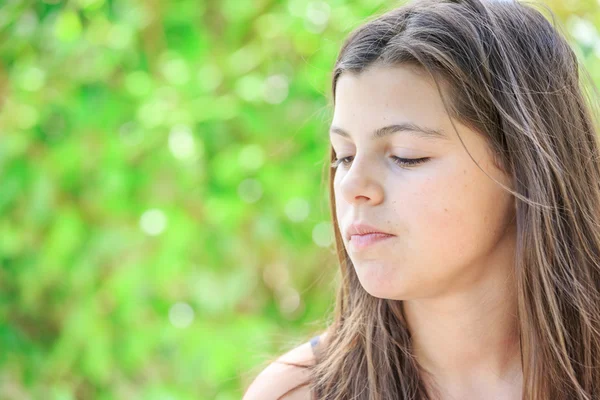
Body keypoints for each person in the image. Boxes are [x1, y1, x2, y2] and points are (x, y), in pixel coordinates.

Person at [244, 0, 600, 398]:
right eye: (344, 156)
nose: (351, 186)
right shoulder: (296, 392)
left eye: (405, 156)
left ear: (526, 166)